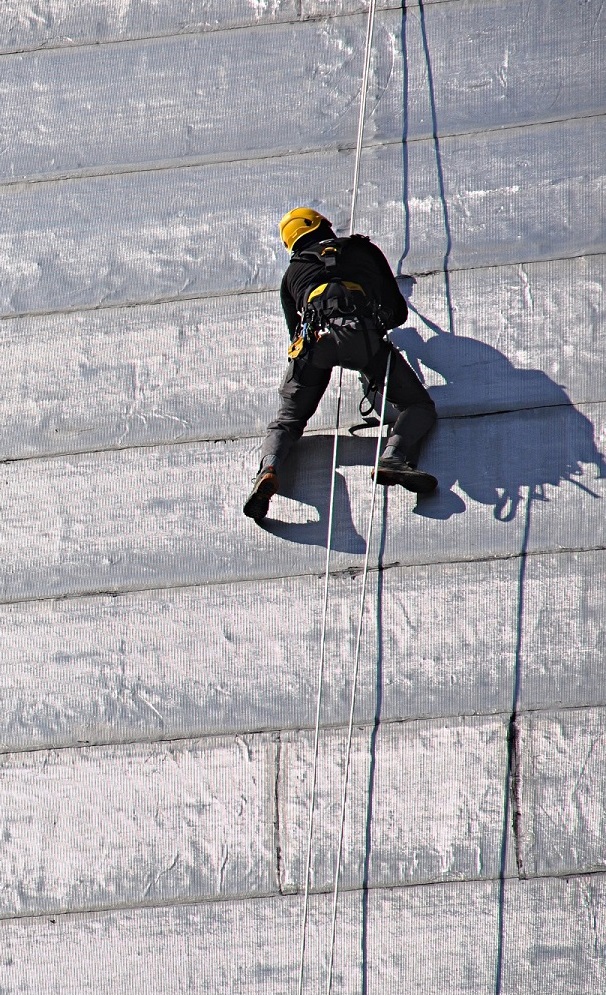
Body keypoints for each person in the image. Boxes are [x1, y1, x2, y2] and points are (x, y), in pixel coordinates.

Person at [243, 207, 438, 522]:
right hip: (362, 337)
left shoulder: (291, 274)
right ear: (321, 225)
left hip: (314, 343)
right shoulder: (362, 249)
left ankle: (268, 468)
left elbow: (294, 333)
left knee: (287, 422)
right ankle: (393, 456)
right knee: (418, 406)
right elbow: (397, 313)